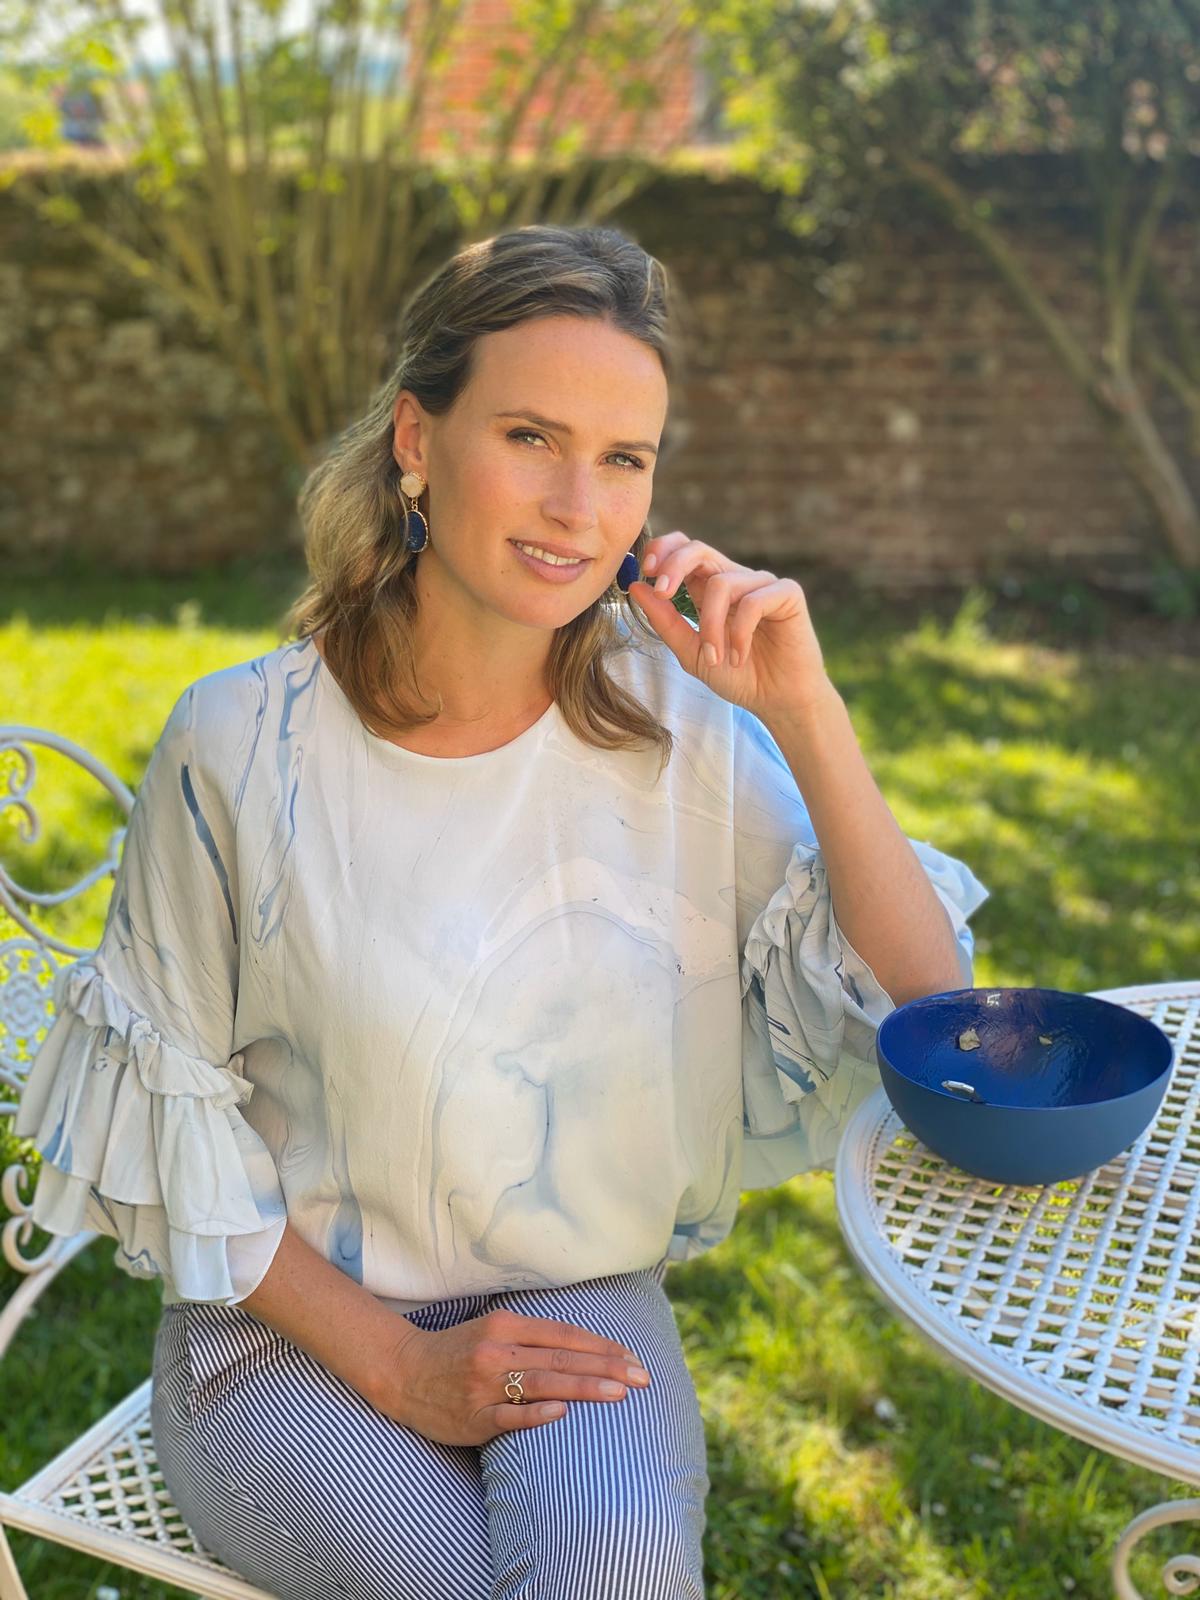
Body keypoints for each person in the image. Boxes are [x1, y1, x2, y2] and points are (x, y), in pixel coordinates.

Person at [15, 222, 988, 1599]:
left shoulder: (682, 730)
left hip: (576, 1299)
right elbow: (178, 1148)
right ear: (417, 439)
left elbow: (928, 1004)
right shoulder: (238, 749)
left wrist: (806, 714)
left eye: (624, 459)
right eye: (532, 436)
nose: (579, 507)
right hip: (285, 1332)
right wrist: (404, 1365)